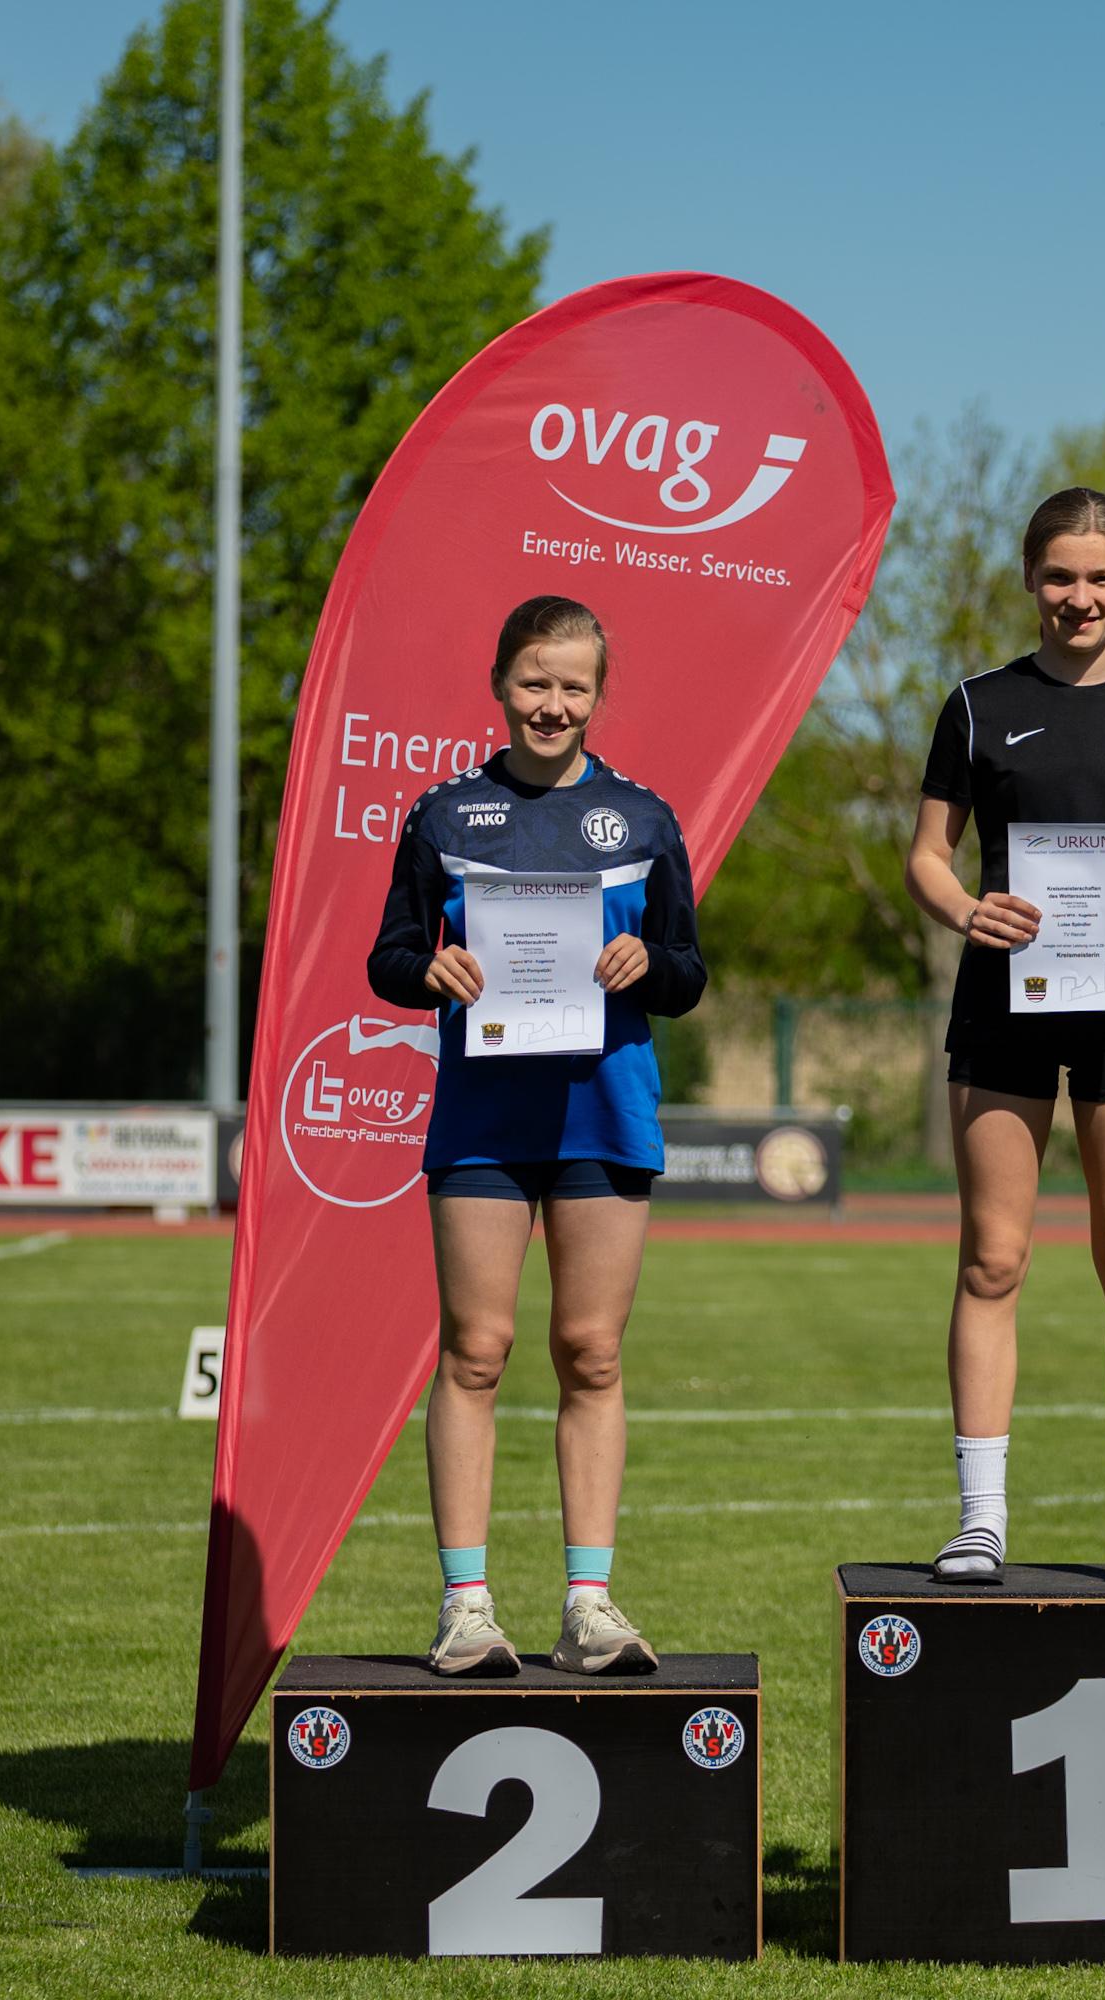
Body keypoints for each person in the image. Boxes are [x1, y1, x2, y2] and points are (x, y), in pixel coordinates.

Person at [366, 594, 705, 1675]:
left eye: (573, 686)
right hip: (484, 1118)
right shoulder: (444, 814)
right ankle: (465, 1607)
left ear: (599, 695)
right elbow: (388, 956)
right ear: (499, 683)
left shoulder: (644, 818)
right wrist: (430, 968)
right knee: (476, 1350)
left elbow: (687, 971)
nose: (552, 704)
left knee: (591, 1353)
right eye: (534, 682)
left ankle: (588, 1607)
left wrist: (649, 965)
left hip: (605, 1110)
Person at [902, 487, 1105, 1586]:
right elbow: (928, 855)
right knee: (993, 1258)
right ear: (1029, 579)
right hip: (1004, 1001)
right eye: (1059, 575)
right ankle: (979, 1521)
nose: (1079, 597)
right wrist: (967, 910)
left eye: (1099, 577)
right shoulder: (977, 704)